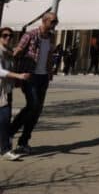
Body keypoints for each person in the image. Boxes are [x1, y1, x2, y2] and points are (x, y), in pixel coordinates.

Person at [9, 12, 57, 155]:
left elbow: (49, 55)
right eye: (53, 21)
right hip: (31, 75)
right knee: (33, 105)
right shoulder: (30, 35)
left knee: (36, 110)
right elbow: (17, 51)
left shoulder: (50, 37)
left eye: (56, 22)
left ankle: (23, 142)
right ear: (45, 21)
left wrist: (50, 72)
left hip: (43, 77)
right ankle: (9, 132)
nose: (55, 24)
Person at [0, 27, 31, 161]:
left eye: (10, 36)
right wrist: (18, 76)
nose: (8, 38)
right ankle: (5, 149)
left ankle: (5, 148)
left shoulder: (9, 52)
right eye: (4, 35)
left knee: (4, 121)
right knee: (4, 120)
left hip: (6, 90)